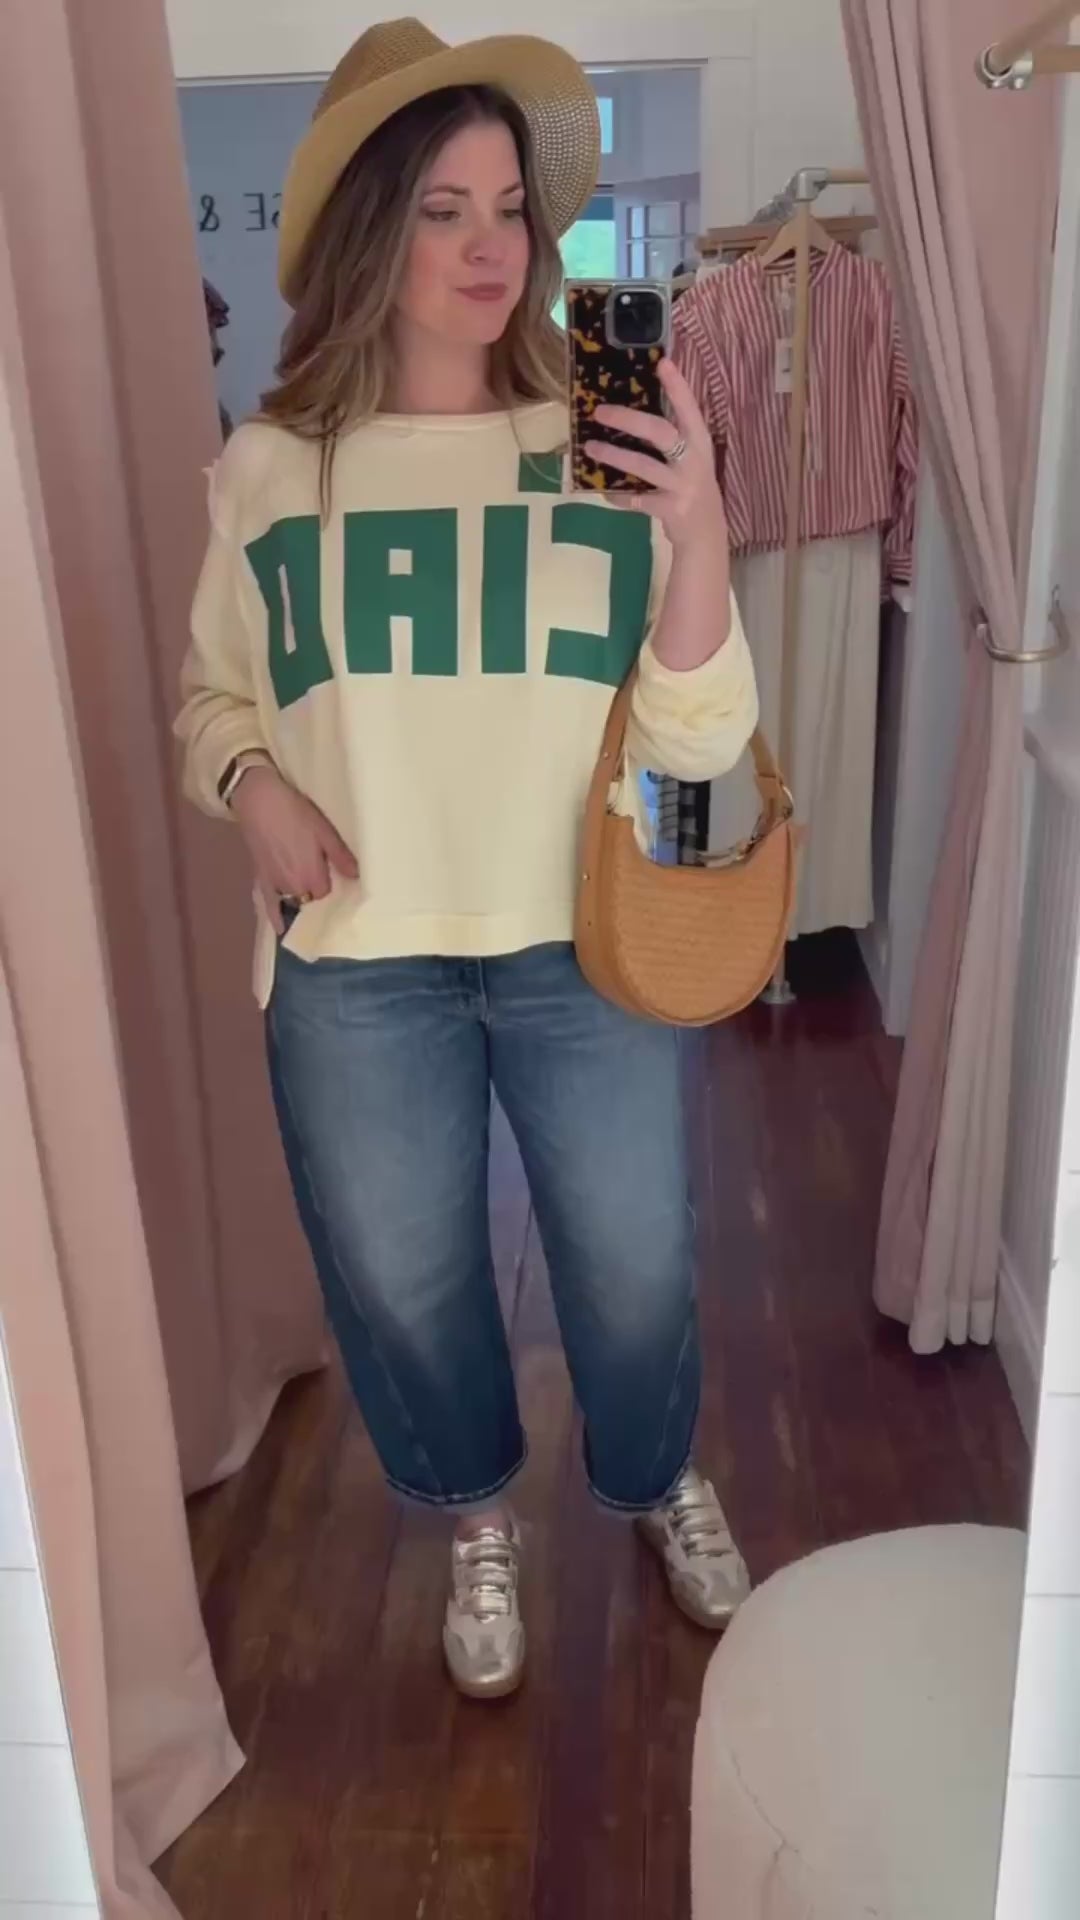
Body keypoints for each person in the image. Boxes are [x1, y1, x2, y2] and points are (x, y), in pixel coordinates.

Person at [176, 20, 759, 1701]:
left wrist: (698, 527)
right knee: (407, 1284)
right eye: (443, 209)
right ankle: (476, 1519)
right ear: (373, 228)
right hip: (354, 966)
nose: (491, 245)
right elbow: (212, 696)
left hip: (587, 943)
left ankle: (658, 1475)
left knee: (638, 1268)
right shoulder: (273, 470)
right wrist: (247, 783)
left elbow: (702, 742)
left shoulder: (598, 439)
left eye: (510, 207)